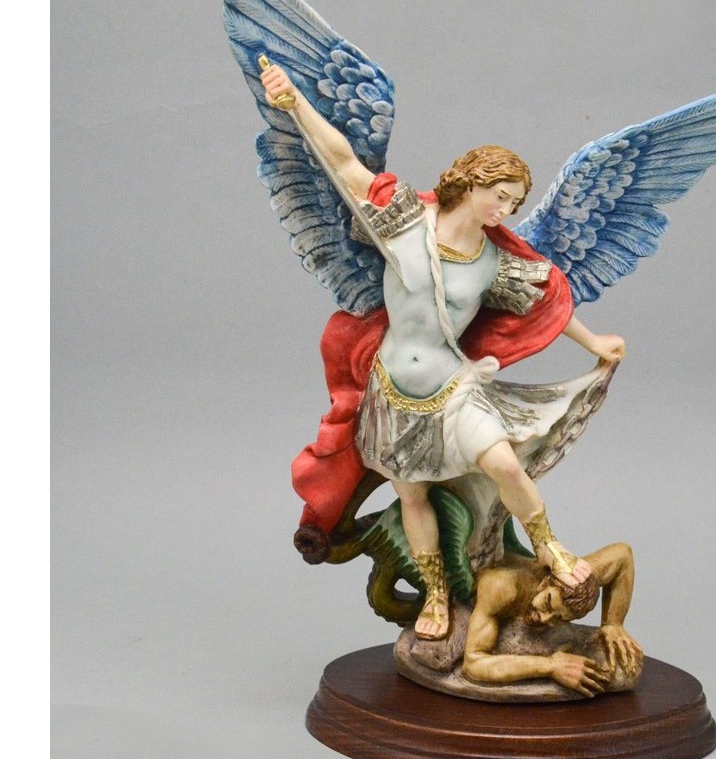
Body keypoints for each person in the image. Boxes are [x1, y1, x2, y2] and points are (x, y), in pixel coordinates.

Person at [260, 64, 627, 642]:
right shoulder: (405, 220)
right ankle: (435, 592)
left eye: (514, 203)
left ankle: (549, 546)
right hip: (392, 394)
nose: (505, 211)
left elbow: (547, 304)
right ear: (471, 184)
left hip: (453, 387)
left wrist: (594, 342)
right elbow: (344, 163)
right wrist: (294, 103)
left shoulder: (494, 261)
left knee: (504, 464)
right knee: (413, 496)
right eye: (500, 197)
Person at [462, 541, 643, 697]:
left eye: (559, 619)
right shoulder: (502, 588)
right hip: (470, 564)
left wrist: (612, 623)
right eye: (547, 604)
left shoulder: (577, 579)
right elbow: (473, 663)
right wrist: (551, 666)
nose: (543, 619)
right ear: (544, 583)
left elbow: (622, 555)